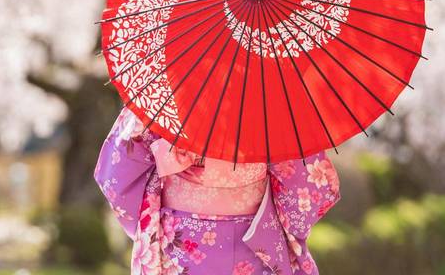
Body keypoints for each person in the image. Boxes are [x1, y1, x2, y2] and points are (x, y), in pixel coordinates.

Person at [94, 108, 340, 275]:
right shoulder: (274, 96)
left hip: (179, 237)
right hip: (256, 237)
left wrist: (143, 216)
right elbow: (305, 181)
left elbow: (116, 173)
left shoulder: (162, 89)